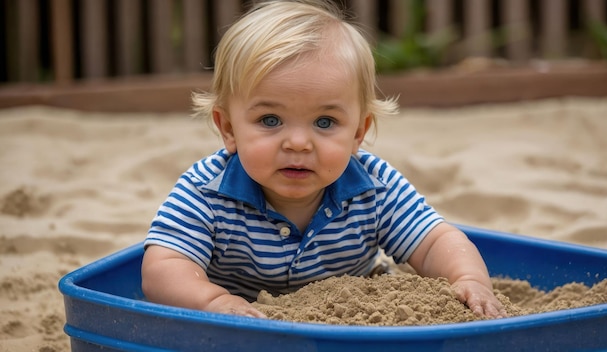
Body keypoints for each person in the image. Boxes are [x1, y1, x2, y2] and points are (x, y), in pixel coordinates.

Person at [142, 0, 507, 319]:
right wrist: (214, 301)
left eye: (325, 122)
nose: (299, 143)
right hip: (244, 325)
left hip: (353, 318)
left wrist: (468, 279)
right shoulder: (208, 190)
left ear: (358, 133)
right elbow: (164, 266)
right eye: (270, 120)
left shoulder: (373, 187)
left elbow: (434, 241)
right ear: (229, 129)